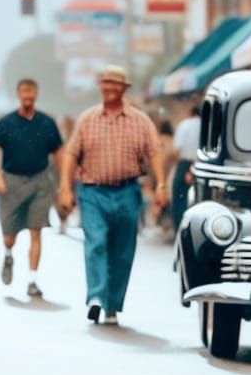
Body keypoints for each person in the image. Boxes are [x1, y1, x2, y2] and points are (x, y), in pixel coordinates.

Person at [57, 65, 167, 326]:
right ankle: (96, 297)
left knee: (122, 250)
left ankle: (112, 305)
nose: (110, 89)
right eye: (105, 83)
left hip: (128, 191)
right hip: (93, 192)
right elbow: (72, 154)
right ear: (100, 87)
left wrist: (161, 183)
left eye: (115, 84)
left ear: (124, 88)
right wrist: (65, 187)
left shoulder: (140, 121)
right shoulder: (87, 119)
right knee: (95, 242)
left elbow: (155, 151)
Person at [0, 78, 63, 296]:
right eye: (24, 92)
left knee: (36, 231)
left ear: (36, 94)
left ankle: (32, 279)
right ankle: (8, 253)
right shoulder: (7, 122)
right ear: (19, 94)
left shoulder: (47, 123)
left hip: (39, 181)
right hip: (11, 181)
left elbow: (59, 151)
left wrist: (64, 182)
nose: (27, 96)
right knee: (9, 235)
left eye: (31, 92)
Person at [171, 103, 200, 235]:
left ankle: (179, 230)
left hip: (184, 163)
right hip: (201, 164)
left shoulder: (184, 124)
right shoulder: (207, 125)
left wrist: (185, 169)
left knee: (179, 199)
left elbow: (177, 149)